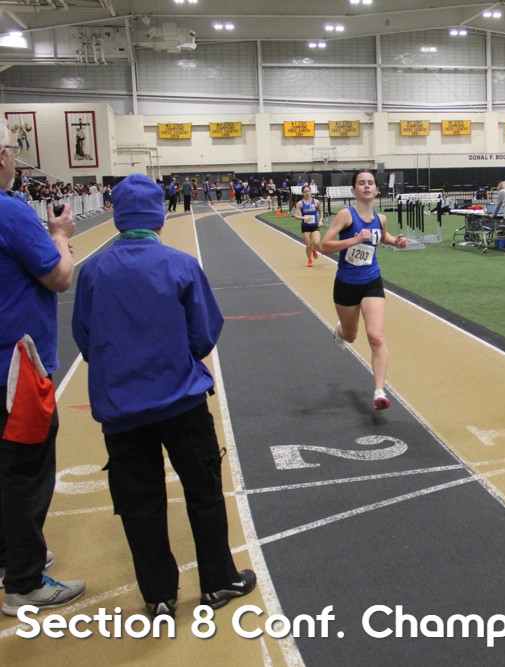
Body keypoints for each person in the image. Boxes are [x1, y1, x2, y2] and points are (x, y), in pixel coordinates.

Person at [71, 173, 256, 620]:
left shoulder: (93, 271)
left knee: (139, 504)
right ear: (159, 215)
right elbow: (204, 333)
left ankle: (158, 596)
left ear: (118, 216)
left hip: (121, 409)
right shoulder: (181, 265)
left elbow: (85, 338)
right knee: (203, 491)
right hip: (181, 400)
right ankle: (218, 580)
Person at [0, 123, 85, 617]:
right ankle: (25, 582)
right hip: (16, 367)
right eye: (13, 151)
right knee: (26, 472)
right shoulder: (10, 211)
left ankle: (10, 554)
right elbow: (58, 277)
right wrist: (60, 236)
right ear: (1, 157)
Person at [320, 170, 408, 411]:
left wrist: (396, 241)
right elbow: (325, 246)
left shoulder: (381, 218)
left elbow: (383, 236)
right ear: (354, 190)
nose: (367, 186)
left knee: (376, 337)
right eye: (361, 183)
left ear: (377, 190)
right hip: (346, 284)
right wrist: (355, 240)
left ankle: (379, 391)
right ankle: (340, 330)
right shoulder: (345, 215)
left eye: (370, 183)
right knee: (351, 336)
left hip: (371, 282)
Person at [294, 185, 323, 267]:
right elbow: (296, 216)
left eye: (308, 191)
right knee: (308, 245)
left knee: (317, 242)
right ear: (303, 193)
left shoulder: (316, 202)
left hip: (315, 225)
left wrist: (320, 220)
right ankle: (310, 259)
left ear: (311, 192)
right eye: (305, 192)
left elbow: (320, 211)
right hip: (305, 227)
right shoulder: (300, 203)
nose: (307, 193)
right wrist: (304, 217)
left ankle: (314, 250)